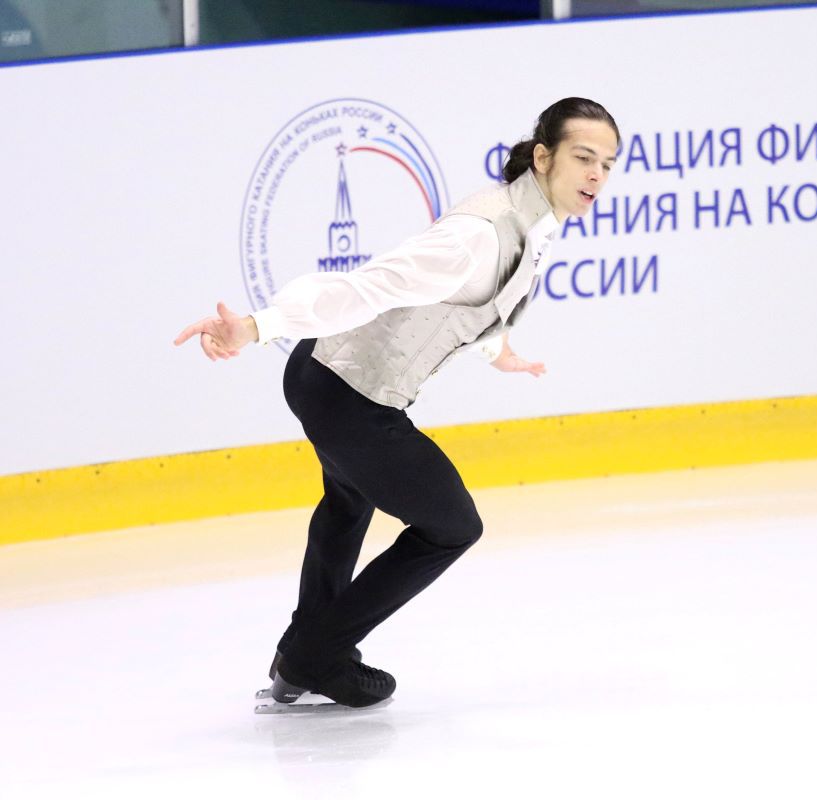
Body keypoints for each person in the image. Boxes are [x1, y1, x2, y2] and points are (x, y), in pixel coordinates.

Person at [174, 97, 620, 710]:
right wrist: (257, 326)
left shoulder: (531, 222)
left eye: (608, 163)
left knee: (347, 501)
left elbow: (478, 307)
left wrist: (499, 353)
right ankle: (314, 654)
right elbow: (367, 288)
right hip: (345, 391)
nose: (597, 174)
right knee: (452, 526)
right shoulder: (479, 235)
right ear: (544, 158)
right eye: (584, 157)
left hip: (329, 378)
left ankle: (302, 660)